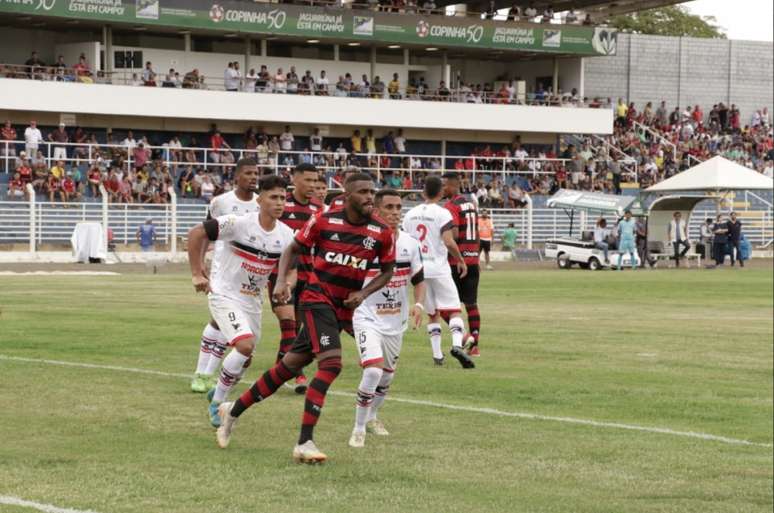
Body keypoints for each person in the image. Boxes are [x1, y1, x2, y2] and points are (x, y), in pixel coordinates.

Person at [215, 173, 396, 464]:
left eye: (371, 191)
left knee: (289, 367)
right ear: (347, 195)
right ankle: (305, 442)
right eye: (362, 191)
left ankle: (232, 410)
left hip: (343, 308)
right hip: (316, 299)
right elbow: (293, 248)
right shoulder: (325, 220)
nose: (368, 197)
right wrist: (282, 282)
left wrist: (364, 293)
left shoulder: (380, 232)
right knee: (332, 363)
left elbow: (387, 271)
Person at [188, 174, 295, 428]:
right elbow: (196, 233)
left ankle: (217, 392)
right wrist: (196, 272)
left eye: (283, 197)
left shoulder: (287, 235)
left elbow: (292, 267)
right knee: (244, 346)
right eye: (273, 197)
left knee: (245, 359)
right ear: (260, 200)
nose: (279, 203)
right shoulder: (238, 223)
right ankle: (219, 405)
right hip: (223, 293)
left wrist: (285, 282)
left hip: (252, 301)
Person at [349, 189, 426, 448]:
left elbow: (418, 280)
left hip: (396, 320)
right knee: (372, 370)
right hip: (365, 316)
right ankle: (358, 429)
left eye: (398, 207)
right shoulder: (365, 242)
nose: (395, 212)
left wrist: (418, 304)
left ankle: (372, 418)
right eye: (389, 207)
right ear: (376, 211)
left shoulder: (411, 244)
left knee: (386, 377)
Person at [190, 159, 259, 395]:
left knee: (227, 325)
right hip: (222, 270)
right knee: (220, 321)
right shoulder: (221, 202)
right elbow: (205, 234)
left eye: (256, 173)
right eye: (248, 173)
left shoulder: (261, 203)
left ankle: (207, 374)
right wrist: (200, 268)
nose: (253, 177)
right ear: (237, 176)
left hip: (248, 276)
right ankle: (203, 373)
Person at [403, 176, 474, 369]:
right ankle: (457, 345)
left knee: (432, 314)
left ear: (423, 192)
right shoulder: (442, 213)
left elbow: (405, 241)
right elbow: (449, 241)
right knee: (453, 310)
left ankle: (437, 356)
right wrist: (460, 260)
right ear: (441, 192)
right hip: (439, 268)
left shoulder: (410, 214)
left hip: (419, 270)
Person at [269, 163, 325, 395]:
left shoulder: (319, 209)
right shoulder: (282, 204)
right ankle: (297, 372)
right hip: (280, 274)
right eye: (308, 180)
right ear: (295, 179)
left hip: (309, 276)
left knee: (299, 330)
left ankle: (279, 368)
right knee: (288, 322)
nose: (313, 185)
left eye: (316, 181)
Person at [442, 172, 482, 357]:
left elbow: (455, 234)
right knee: (471, 304)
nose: (442, 189)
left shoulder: (451, 206)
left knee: (445, 305)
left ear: (451, 186)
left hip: (457, 262)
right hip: (473, 259)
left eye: (444, 186)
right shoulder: (471, 204)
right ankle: (475, 346)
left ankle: (464, 337)